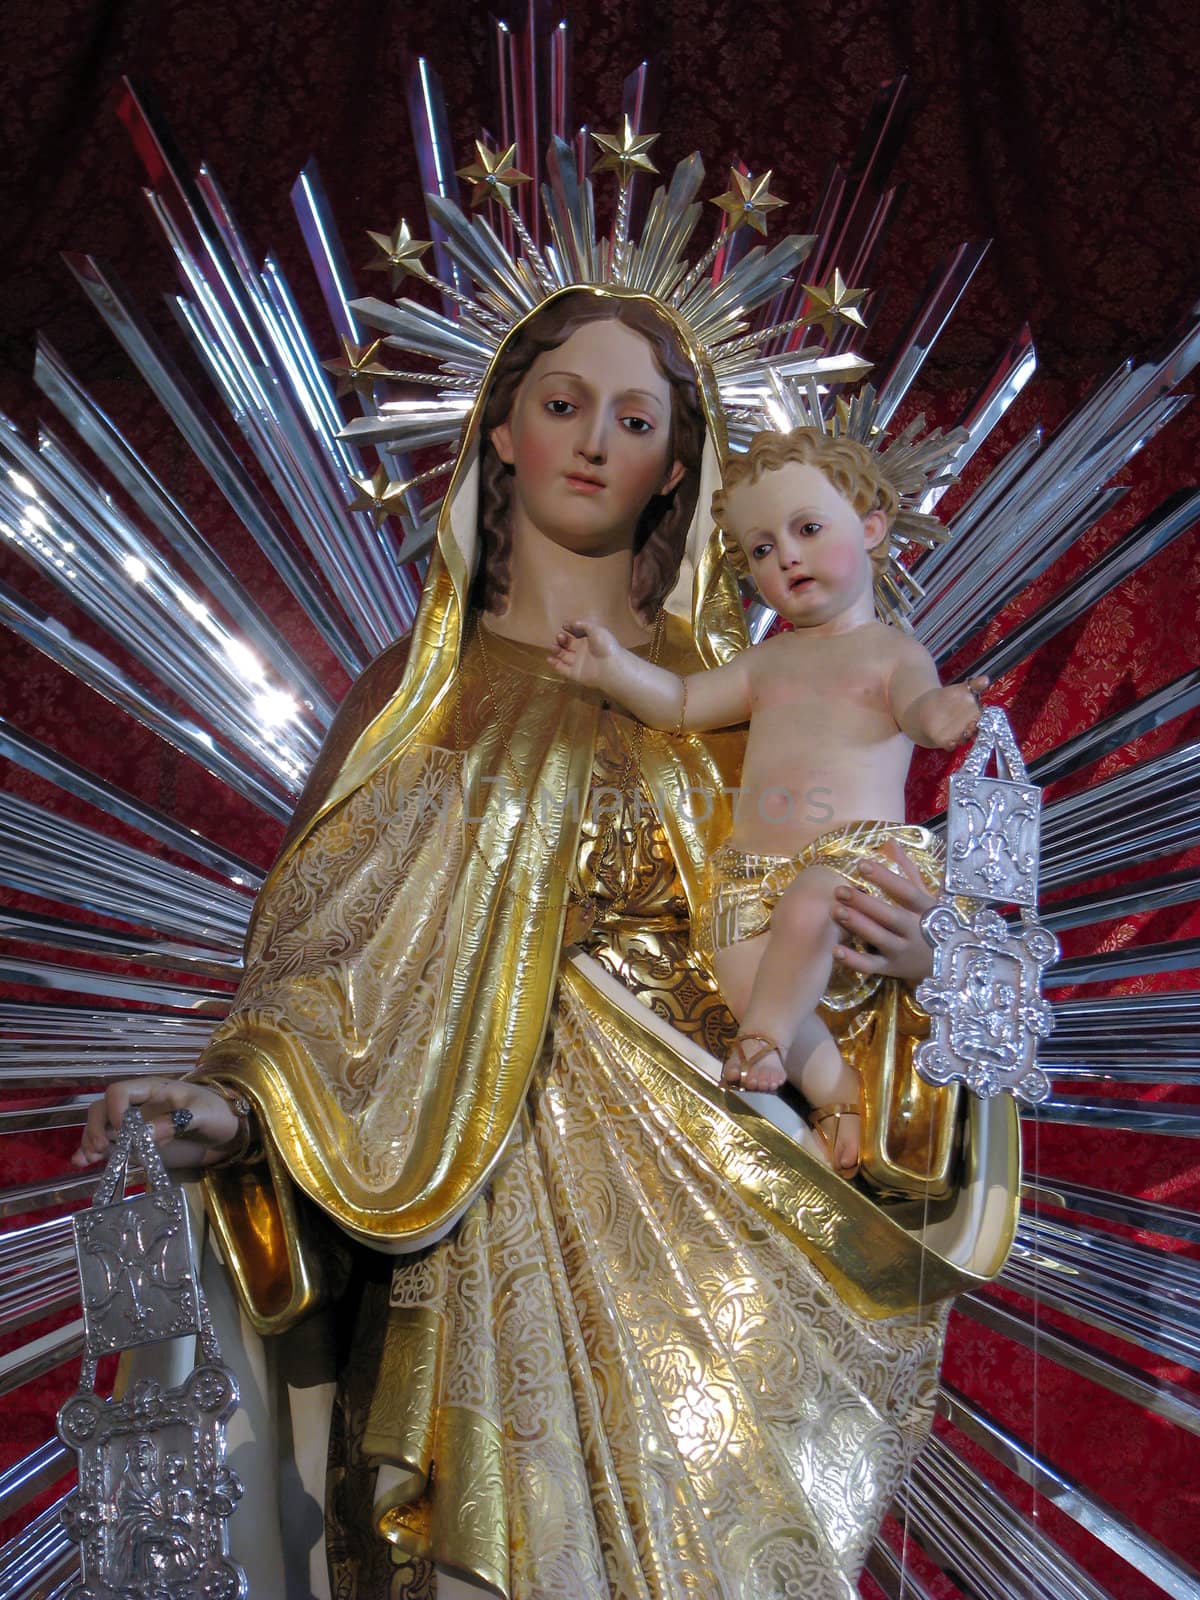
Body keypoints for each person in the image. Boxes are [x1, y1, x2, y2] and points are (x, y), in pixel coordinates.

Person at [73, 288, 1015, 1600]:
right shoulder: (416, 700)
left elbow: (817, 944)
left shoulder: (745, 702)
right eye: (563, 405)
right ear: (501, 429)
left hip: (719, 1230)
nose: (592, 442)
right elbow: (320, 985)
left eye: (635, 420)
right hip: (455, 1225)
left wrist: (914, 974)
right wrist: (234, 1117)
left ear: (677, 467)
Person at [549, 426, 988, 1178]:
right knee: (738, 967)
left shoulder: (890, 652)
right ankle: (836, 1096)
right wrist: (614, 669)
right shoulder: (772, 659)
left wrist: (941, 716)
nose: (784, 556)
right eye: (760, 548)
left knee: (814, 907)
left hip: (855, 858)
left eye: (808, 529)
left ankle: (763, 1044)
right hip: (752, 869)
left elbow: (917, 709)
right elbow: (685, 702)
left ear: (873, 528)